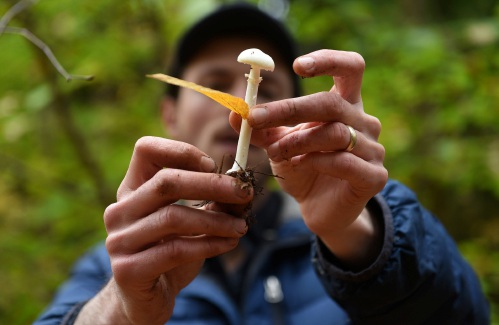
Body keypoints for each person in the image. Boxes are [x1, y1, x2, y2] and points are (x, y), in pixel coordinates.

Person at [35, 3, 489, 325]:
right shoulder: (118, 263)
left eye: (266, 92)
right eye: (214, 84)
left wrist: (355, 235)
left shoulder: (367, 216)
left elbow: (466, 314)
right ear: (169, 115)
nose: (241, 105)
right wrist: (122, 307)